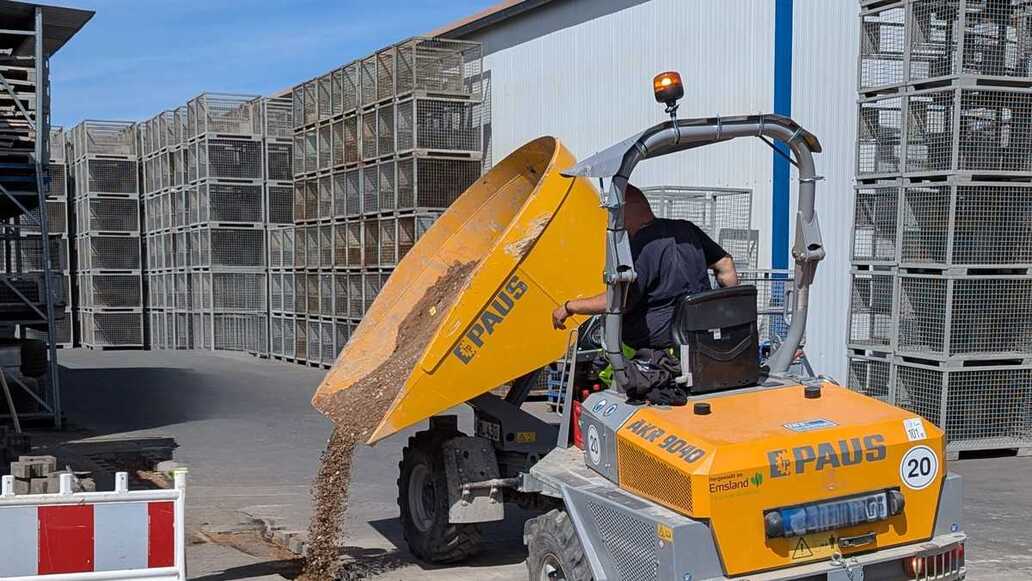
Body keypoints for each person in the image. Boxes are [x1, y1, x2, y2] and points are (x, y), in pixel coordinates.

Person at [551, 184, 739, 349]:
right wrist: (729, 316)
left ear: (623, 211)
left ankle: (627, 379)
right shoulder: (686, 229)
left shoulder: (639, 247)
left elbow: (618, 301)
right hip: (700, 331)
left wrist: (570, 307)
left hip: (657, 341)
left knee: (612, 336)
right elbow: (725, 265)